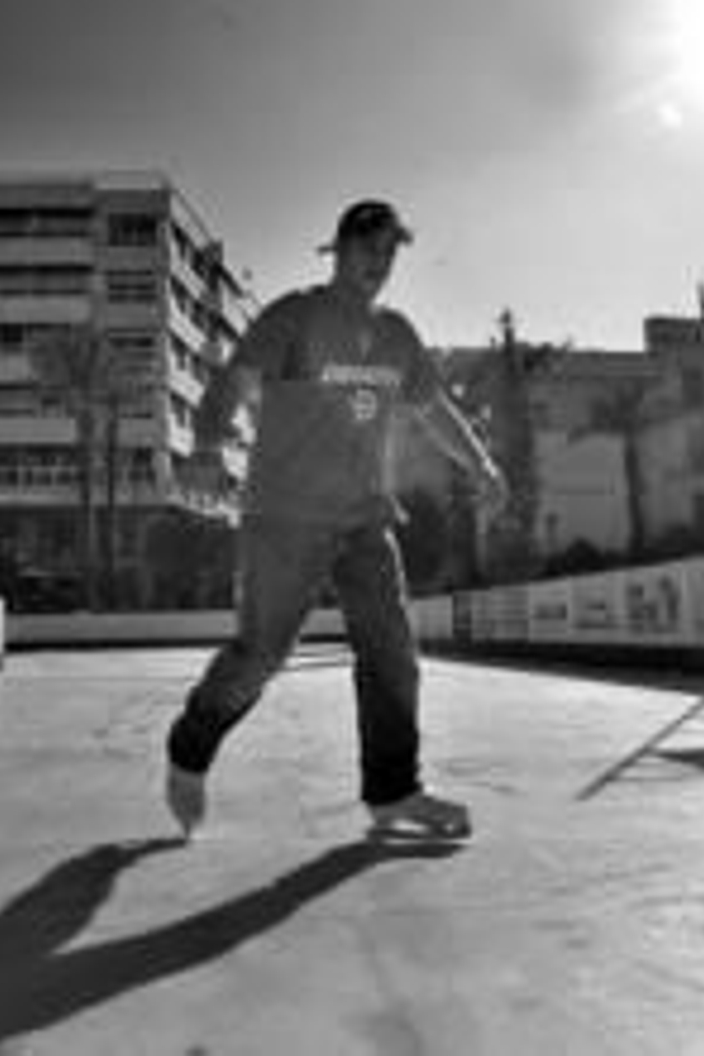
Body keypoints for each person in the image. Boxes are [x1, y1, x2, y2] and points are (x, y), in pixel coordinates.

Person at [164, 198, 508, 841]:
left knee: (393, 655)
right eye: (367, 249)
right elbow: (233, 384)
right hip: (286, 514)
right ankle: (191, 745)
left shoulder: (397, 333)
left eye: (389, 254)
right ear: (339, 249)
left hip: (364, 519)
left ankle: (393, 793)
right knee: (261, 656)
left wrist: (481, 465)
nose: (378, 264)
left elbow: (435, 411)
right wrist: (207, 447)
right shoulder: (294, 315)